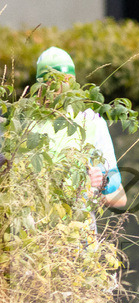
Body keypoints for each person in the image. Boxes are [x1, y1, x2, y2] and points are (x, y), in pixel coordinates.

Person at [34, 47, 128, 209]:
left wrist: (93, 189)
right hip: (35, 228)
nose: (60, 90)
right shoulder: (27, 124)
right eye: (53, 83)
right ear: (40, 86)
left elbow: (119, 195)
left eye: (66, 81)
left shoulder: (91, 121)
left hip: (79, 229)